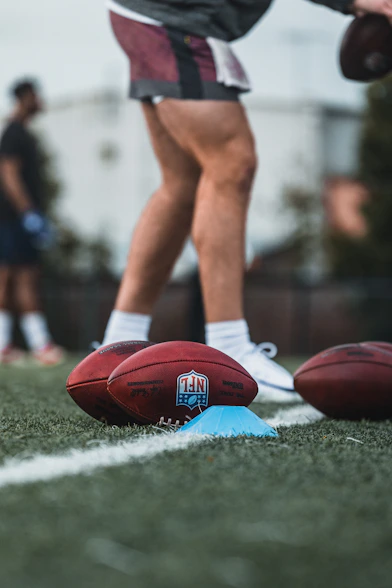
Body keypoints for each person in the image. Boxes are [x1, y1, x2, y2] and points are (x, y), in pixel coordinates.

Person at [101, 0, 391, 401]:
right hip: (173, 16)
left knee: (182, 183)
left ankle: (118, 343)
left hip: (157, 15)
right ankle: (229, 347)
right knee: (232, 161)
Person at [0, 79, 65, 366]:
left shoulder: (22, 132)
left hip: (15, 220)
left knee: (18, 277)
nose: (41, 99)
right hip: (12, 220)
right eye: (36, 94)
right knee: (17, 277)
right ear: (25, 97)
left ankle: (10, 345)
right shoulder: (14, 132)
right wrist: (28, 213)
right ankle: (39, 345)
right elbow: (9, 174)